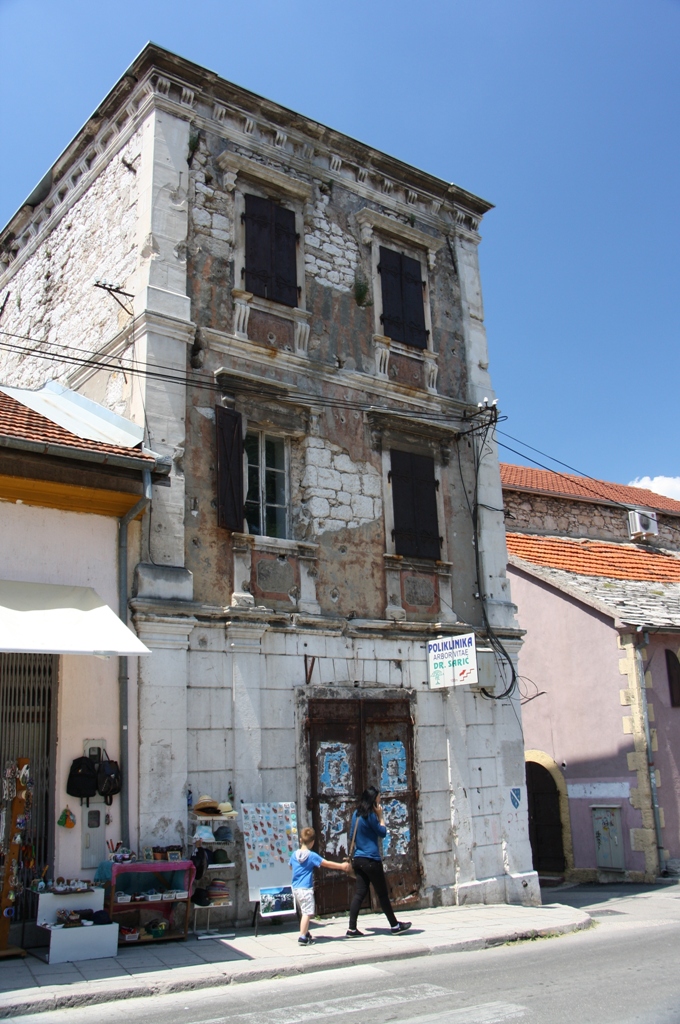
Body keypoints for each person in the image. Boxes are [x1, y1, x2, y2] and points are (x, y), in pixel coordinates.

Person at [346, 786, 411, 937]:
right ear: (373, 802)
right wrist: (381, 816)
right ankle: (395, 926)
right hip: (371, 860)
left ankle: (352, 928)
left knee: (360, 893)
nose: (380, 802)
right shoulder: (371, 816)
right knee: (382, 894)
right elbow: (382, 832)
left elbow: (351, 835)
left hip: (359, 859)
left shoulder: (356, 814)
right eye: (378, 800)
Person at [290, 825, 350, 945]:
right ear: (312, 843)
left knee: (303, 911)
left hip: (295, 888)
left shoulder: (294, 855)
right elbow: (326, 864)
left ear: (300, 840)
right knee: (307, 913)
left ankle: (305, 932)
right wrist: (342, 866)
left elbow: (290, 866)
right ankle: (302, 937)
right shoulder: (311, 856)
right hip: (306, 888)